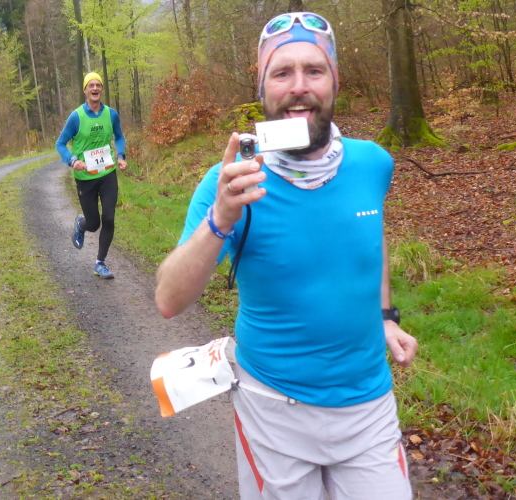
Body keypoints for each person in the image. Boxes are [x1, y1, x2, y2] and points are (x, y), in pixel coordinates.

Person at [155, 12, 418, 500]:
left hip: (368, 407)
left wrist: (385, 318)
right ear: (262, 89)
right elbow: (169, 300)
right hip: (272, 408)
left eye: (314, 70)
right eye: (282, 73)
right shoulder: (230, 181)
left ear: (334, 82)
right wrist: (221, 217)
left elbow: (369, 237)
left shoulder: (373, 163)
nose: (299, 87)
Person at [56, 72, 128, 279]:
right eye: (91, 85)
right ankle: (81, 224)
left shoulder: (111, 114)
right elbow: (60, 144)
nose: (95, 88)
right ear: (85, 90)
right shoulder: (76, 117)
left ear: (101, 89)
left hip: (107, 173)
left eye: (98, 85)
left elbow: (119, 136)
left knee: (109, 218)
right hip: (85, 178)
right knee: (94, 223)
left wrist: (120, 156)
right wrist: (72, 161)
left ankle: (100, 263)